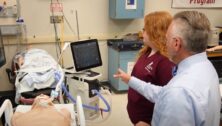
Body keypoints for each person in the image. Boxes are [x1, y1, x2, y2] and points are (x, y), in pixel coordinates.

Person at [114, 11, 221, 126]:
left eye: (166, 38)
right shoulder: (207, 67)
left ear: (176, 43)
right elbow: (164, 93)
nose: (164, 41)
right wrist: (131, 80)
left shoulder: (178, 92)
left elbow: (173, 94)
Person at [124, 11, 175, 126]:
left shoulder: (165, 62)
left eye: (145, 29)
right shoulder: (147, 51)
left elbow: (167, 99)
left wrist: (151, 122)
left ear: (156, 33)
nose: (142, 32)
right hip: (137, 115)